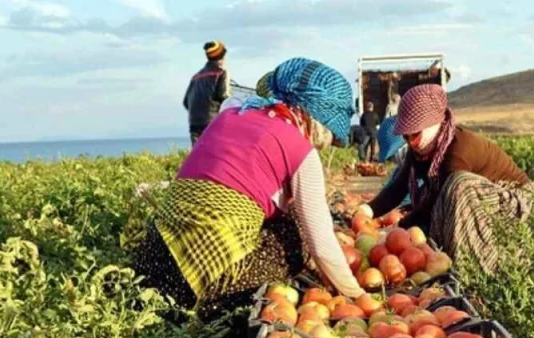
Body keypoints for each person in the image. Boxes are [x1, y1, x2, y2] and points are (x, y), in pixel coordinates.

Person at [136, 57, 365, 316]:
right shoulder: (299, 149)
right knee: (298, 233)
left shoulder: (229, 117)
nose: (323, 144)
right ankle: (219, 306)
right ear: (317, 118)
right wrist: (358, 297)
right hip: (208, 282)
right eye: (329, 135)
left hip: (154, 261)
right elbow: (321, 245)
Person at [358, 84, 534, 271]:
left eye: (415, 134)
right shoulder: (421, 148)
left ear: (434, 124)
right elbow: (399, 186)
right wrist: (367, 211)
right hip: (478, 201)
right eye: (405, 136)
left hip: (515, 205)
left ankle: (473, 266)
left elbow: (438, 200)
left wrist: (397, 230)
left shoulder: (459, 149)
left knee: (458, 185)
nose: (410, 141)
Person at [183, 41, 231, 144]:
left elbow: (186, 102)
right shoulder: (221, 73)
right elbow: (224, 97)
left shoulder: (196, 77)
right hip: (211, 123)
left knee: (198, 155)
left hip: (194, 123)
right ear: (221, 57)